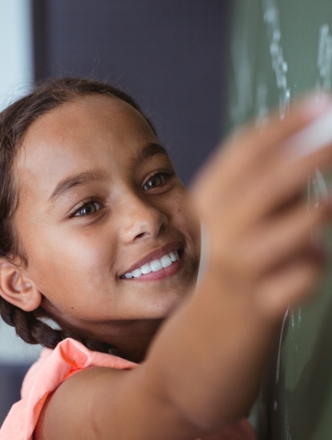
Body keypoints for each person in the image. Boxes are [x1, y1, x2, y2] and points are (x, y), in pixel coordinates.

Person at [0, 78, 331, 440]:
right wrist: (231, 284)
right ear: (19, 283)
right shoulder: (66, 410)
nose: (145, 218)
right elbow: (173, 400)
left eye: (155, 179)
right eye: (88, 208)